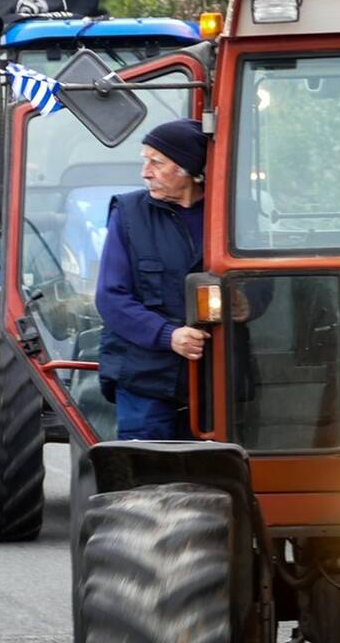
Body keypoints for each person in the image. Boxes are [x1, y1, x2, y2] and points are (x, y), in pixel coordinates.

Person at [94, 119, 268, 440]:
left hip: (219, 378)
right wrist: (168, 336)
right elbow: (111, 297)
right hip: (145, 380)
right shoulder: (129, 213)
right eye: (145, 160)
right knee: (147, 479)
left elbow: (264, 279)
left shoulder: (236, 213)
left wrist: (249, 303)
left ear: (188, 169)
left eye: (156, 162)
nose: (145, 172)